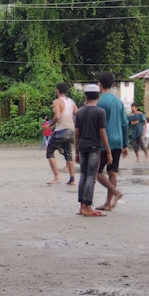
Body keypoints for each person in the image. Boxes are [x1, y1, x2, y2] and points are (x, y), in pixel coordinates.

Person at [74, 85, 112, 217]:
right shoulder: (100, 112)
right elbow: (102, 132)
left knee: (83, 176)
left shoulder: (79, 112)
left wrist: (76, 151)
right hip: (94, 147)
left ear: (86, 96)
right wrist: (108, 151)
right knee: (91, 176)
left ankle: (82, 206)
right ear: (98, 95)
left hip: (82, 146)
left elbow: (77, 133)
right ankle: (88, 206)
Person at [95, 72, 127, 211]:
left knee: (97, 172)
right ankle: (108, 204)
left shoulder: (101, 102)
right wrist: (125, 144)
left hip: (105, 142)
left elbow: (99, 125)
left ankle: (115, 192)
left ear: (99, 84)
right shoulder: (119, 102)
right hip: (119, 140)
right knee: (112, 171)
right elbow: (125, 124)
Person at [46, 82, 77, 185]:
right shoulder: (71, 102)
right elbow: (77, 115)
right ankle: (72, 179)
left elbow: (57, 116)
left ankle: (56, 177)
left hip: (61, 130)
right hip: (71, 130)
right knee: (68, 153)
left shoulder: (57, 101)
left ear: (57, 90)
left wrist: (50, 125)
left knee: (50, 151)